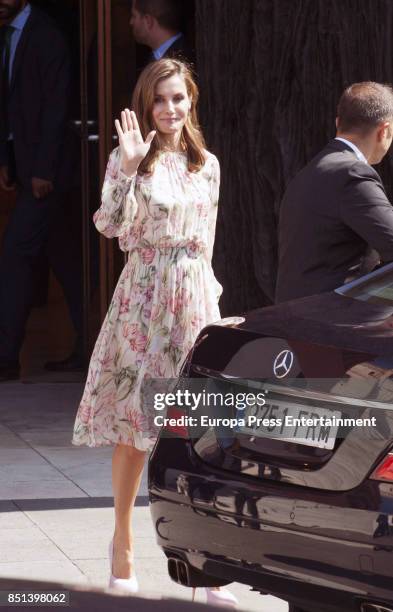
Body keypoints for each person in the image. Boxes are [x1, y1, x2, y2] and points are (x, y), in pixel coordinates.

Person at [72, 59, 237, 607]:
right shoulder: (133, 163)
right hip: (145, 301)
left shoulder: (207, 164)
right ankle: (122, 541)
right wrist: (126, 167)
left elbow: (207, 240)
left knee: (195, 432)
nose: (170, 110)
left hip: (192, 300)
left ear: (191, 101)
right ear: (146, 107)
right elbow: (110, 226)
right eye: (160, 100)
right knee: (138, 430)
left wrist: (213, 307)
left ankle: (204, 563)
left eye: (178, 99)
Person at [0, 0, 84, 381]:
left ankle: (5, 357)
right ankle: (88, 346)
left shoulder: (46, 35)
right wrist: (8, 159)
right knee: (67, 261)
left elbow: (56, 105)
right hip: (26, 167)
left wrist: (42, 169)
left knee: (15, 255)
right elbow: (9, 104)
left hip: (45, 175)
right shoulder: (8, 34)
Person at [275, 81, 393, 304]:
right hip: (333, 322)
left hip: (296, 316)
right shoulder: (353, 173)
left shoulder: (309, 172)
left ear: (338, 122)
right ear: (384, 130)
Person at [129, 0, 194, 65]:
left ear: (148, 21)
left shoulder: (184, 62)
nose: (131, 22)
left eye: (134, 16)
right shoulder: (156, 56)